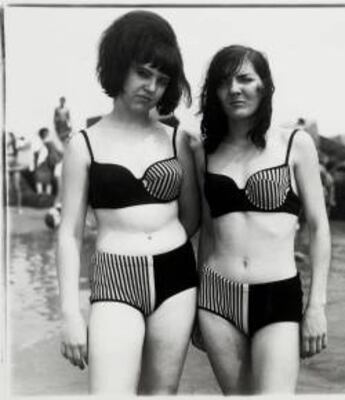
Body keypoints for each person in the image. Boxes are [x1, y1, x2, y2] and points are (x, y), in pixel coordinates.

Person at [57, 11, 199, 395]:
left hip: (177, 277)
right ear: (119, 66)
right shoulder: (83, 144)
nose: (151, 87)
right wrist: (70, 312)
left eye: (162, 79)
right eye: (143, 73)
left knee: (160, 394)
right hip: (115, 276)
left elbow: (192, 216)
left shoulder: (177, 140)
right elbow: (69, 233)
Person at [195, 45, 330, 394]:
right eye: (224, 82)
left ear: (264, 85)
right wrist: (196, 304)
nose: (235, 89)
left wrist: (316, 306)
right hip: (216, 298)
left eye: (245, 79)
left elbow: (318, 227)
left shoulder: (294, 144)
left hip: (277, 293)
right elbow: (208, 234)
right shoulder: (205, 153)